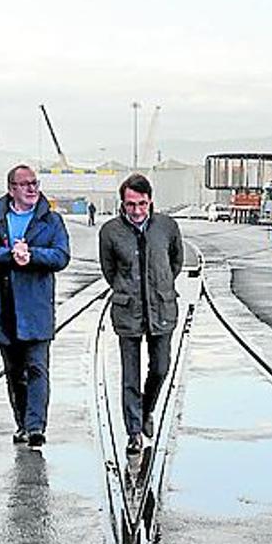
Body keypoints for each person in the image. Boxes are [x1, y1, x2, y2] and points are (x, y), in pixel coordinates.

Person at [0, 165, 70, 448]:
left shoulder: (51, 221)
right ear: (11, 188)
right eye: (25, 184)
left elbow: (61, 255)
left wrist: (33, 256)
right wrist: (9, 256)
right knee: (15, 372)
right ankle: (22, 422)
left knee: (37, 368)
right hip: (5, 307)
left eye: (35, 183)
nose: (32, 188)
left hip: (36, 306)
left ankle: (36, 426)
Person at [99, 173, 184, 455]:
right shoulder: (110, 232)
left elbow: (176, 263)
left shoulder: (167, 227)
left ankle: (146, 410)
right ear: (122, 203)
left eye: (142, 204)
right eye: (130, 204)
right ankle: (134, 431)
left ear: (151, 202)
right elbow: (109, 270)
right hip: (128, 311)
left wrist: (159, 286)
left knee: (160, 367)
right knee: (130, 376)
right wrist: (128, 290)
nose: (136, 211)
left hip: (162, 308)